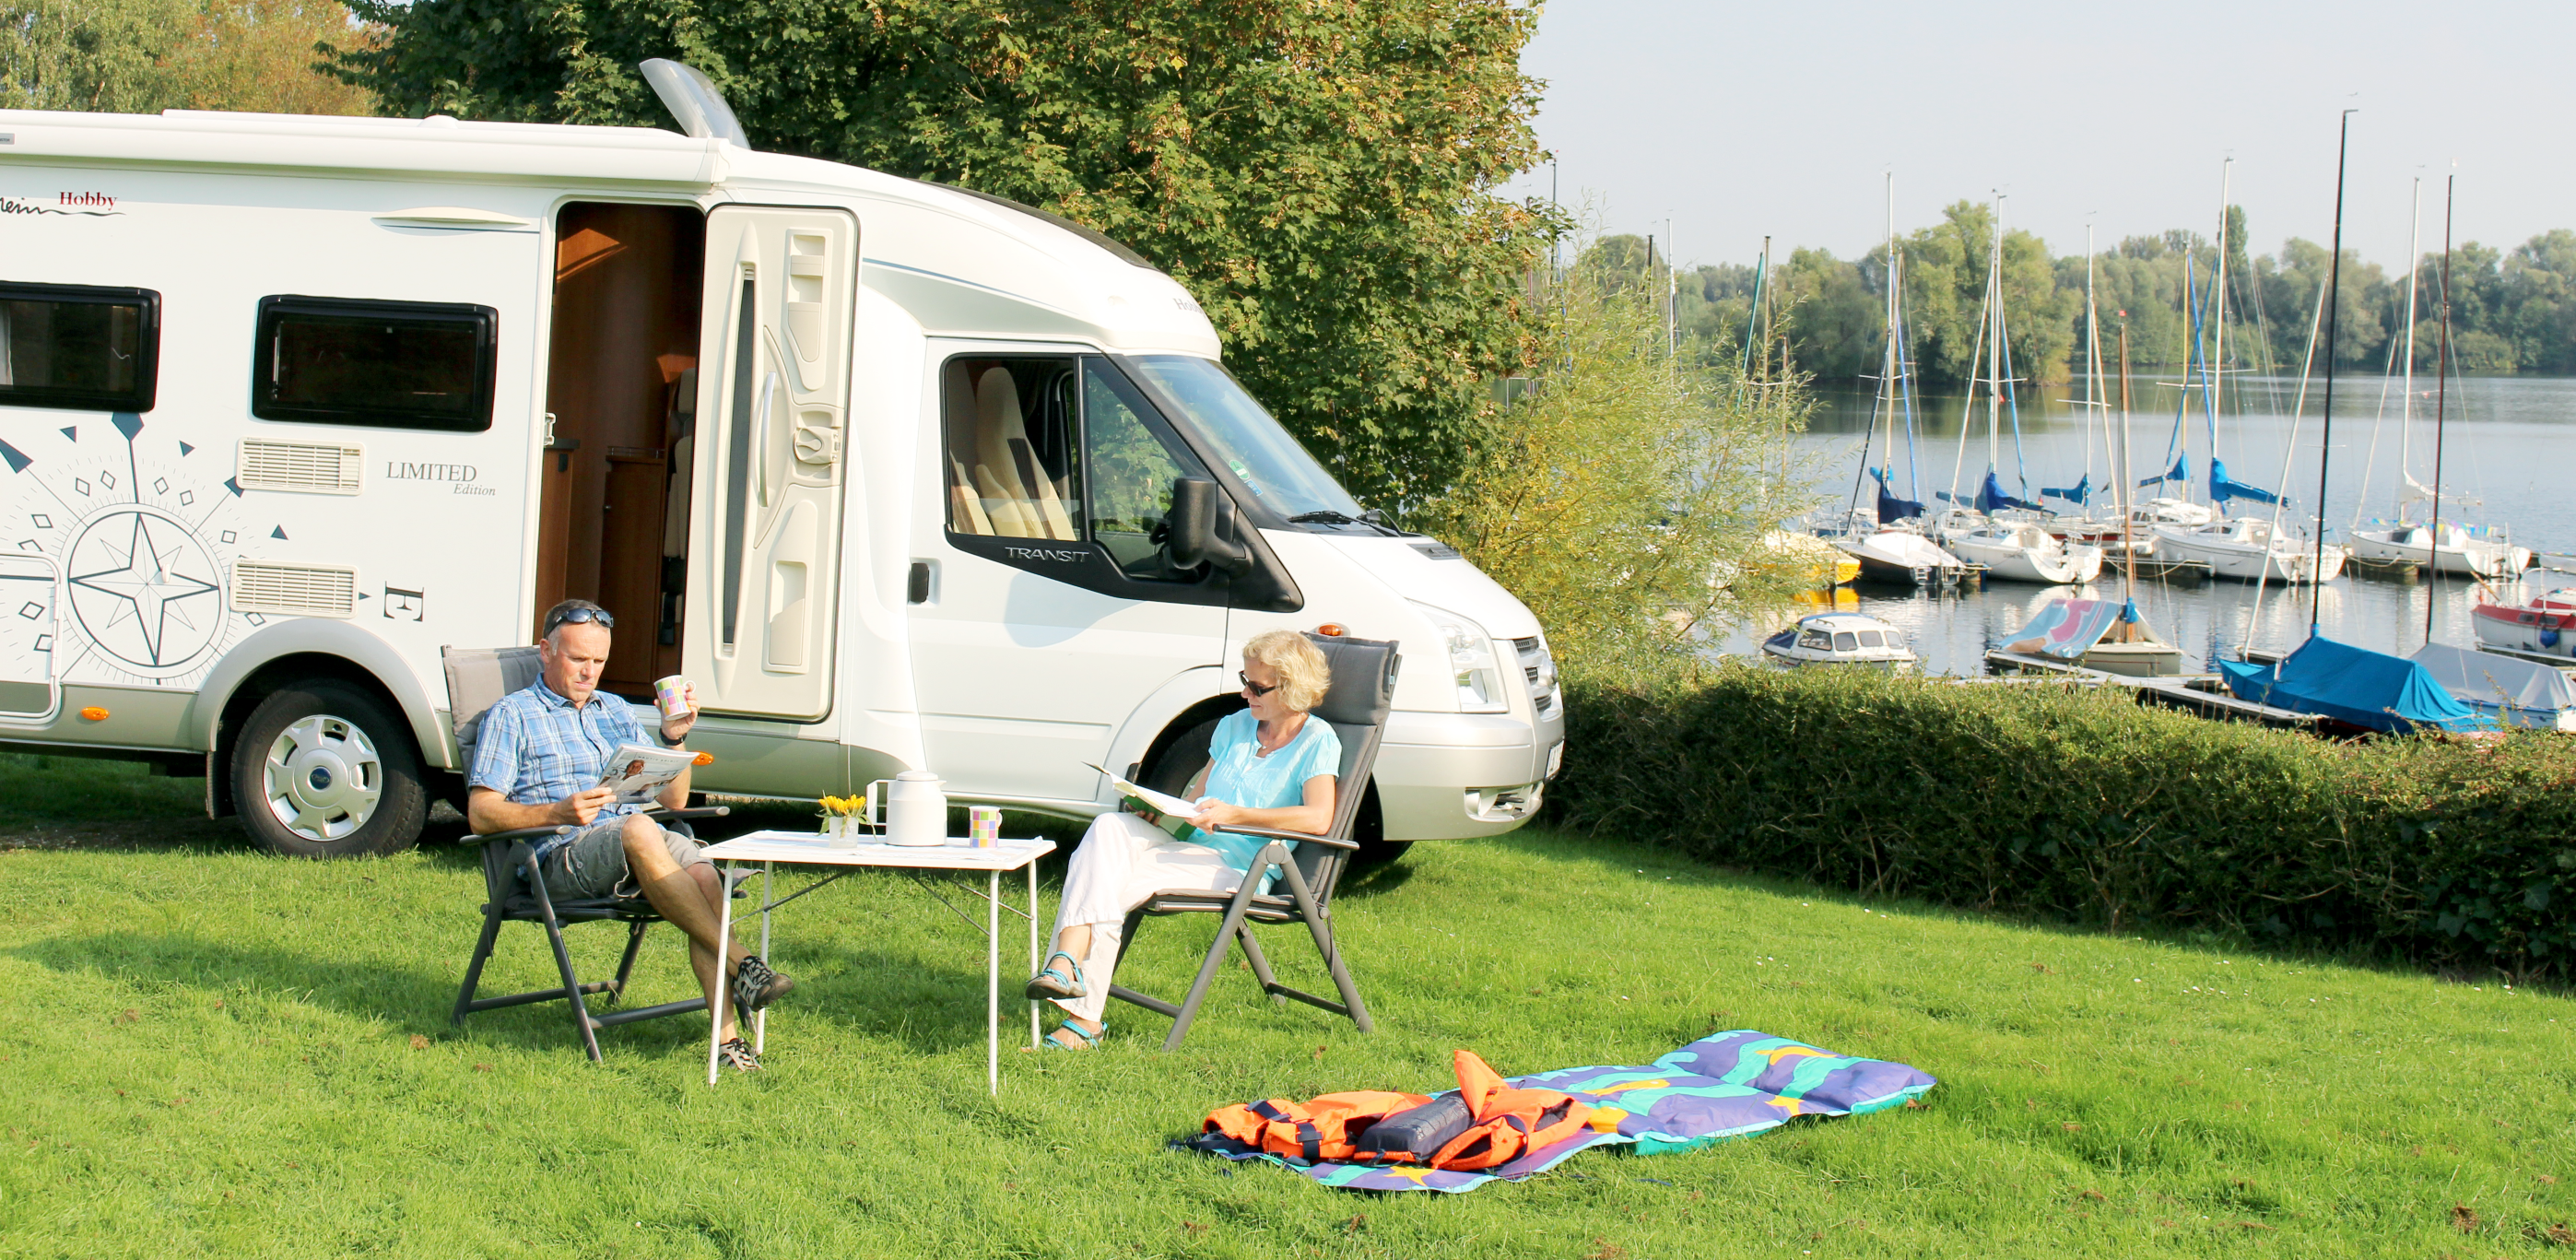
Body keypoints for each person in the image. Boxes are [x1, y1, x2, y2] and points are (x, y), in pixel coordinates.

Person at [467, 598, 793, 1072]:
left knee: (705, 878)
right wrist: (557, 809)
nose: (589, 672)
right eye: (579, 659)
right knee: (641, 826)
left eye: (599, 662)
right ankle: (743, 963)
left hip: (635, 844)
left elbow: (675, 802)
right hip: (560, 856)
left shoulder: (614, 709)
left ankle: (728, 1043)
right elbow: (480, 812)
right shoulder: (512, 716)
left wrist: (674, 739)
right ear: (545, 650)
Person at [1026, 630, 1339, 1049]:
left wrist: (1237, 814)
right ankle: (1067, 971)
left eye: (1256, 686)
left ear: (1292, 686)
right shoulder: (1234, 728)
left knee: (1109, 881)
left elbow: (1319, 818)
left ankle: (1078, 1005)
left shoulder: (1317, 741)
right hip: (1192, 846)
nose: (1244, 693)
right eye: (1244, 680)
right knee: (1108, 829)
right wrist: (1158, 812)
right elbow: (1193, 803)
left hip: (1240, 865)